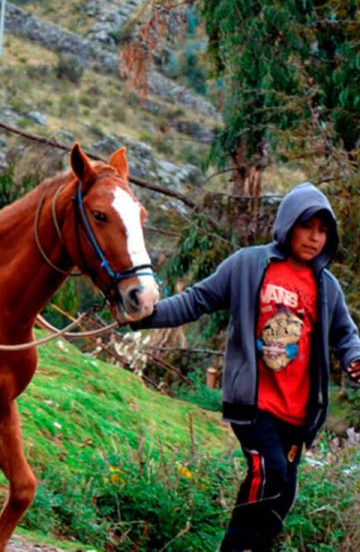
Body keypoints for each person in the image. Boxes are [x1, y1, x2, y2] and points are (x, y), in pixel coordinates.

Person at [130, 182, 360, 551]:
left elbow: (345, 335)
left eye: (323, 231)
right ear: (288, 225)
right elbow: (196, 300)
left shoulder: (326, 287)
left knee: (282, 494)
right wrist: (143, 317)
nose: (315, 238)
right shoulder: (248, 265)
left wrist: (354, 358)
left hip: (299, 414)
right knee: (269, 472)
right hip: (254, 404)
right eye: (307, 226)